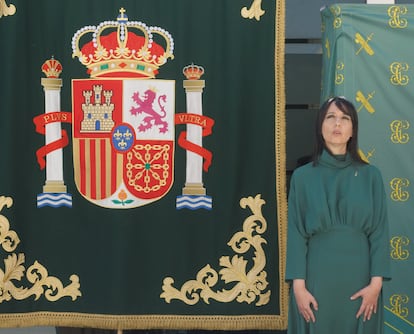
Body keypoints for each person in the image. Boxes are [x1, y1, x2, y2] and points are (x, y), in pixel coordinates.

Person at [285, 96, 391, 333]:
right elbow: (295, 233)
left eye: (345, 119)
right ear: (320, 126)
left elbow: (380, 232)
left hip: (361, 280)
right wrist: (299, 288)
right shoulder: (302, 177)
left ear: (353, 129)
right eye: (330, 117)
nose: (337, 124)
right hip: (316, 280)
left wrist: (375, 285)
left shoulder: (371, 176)